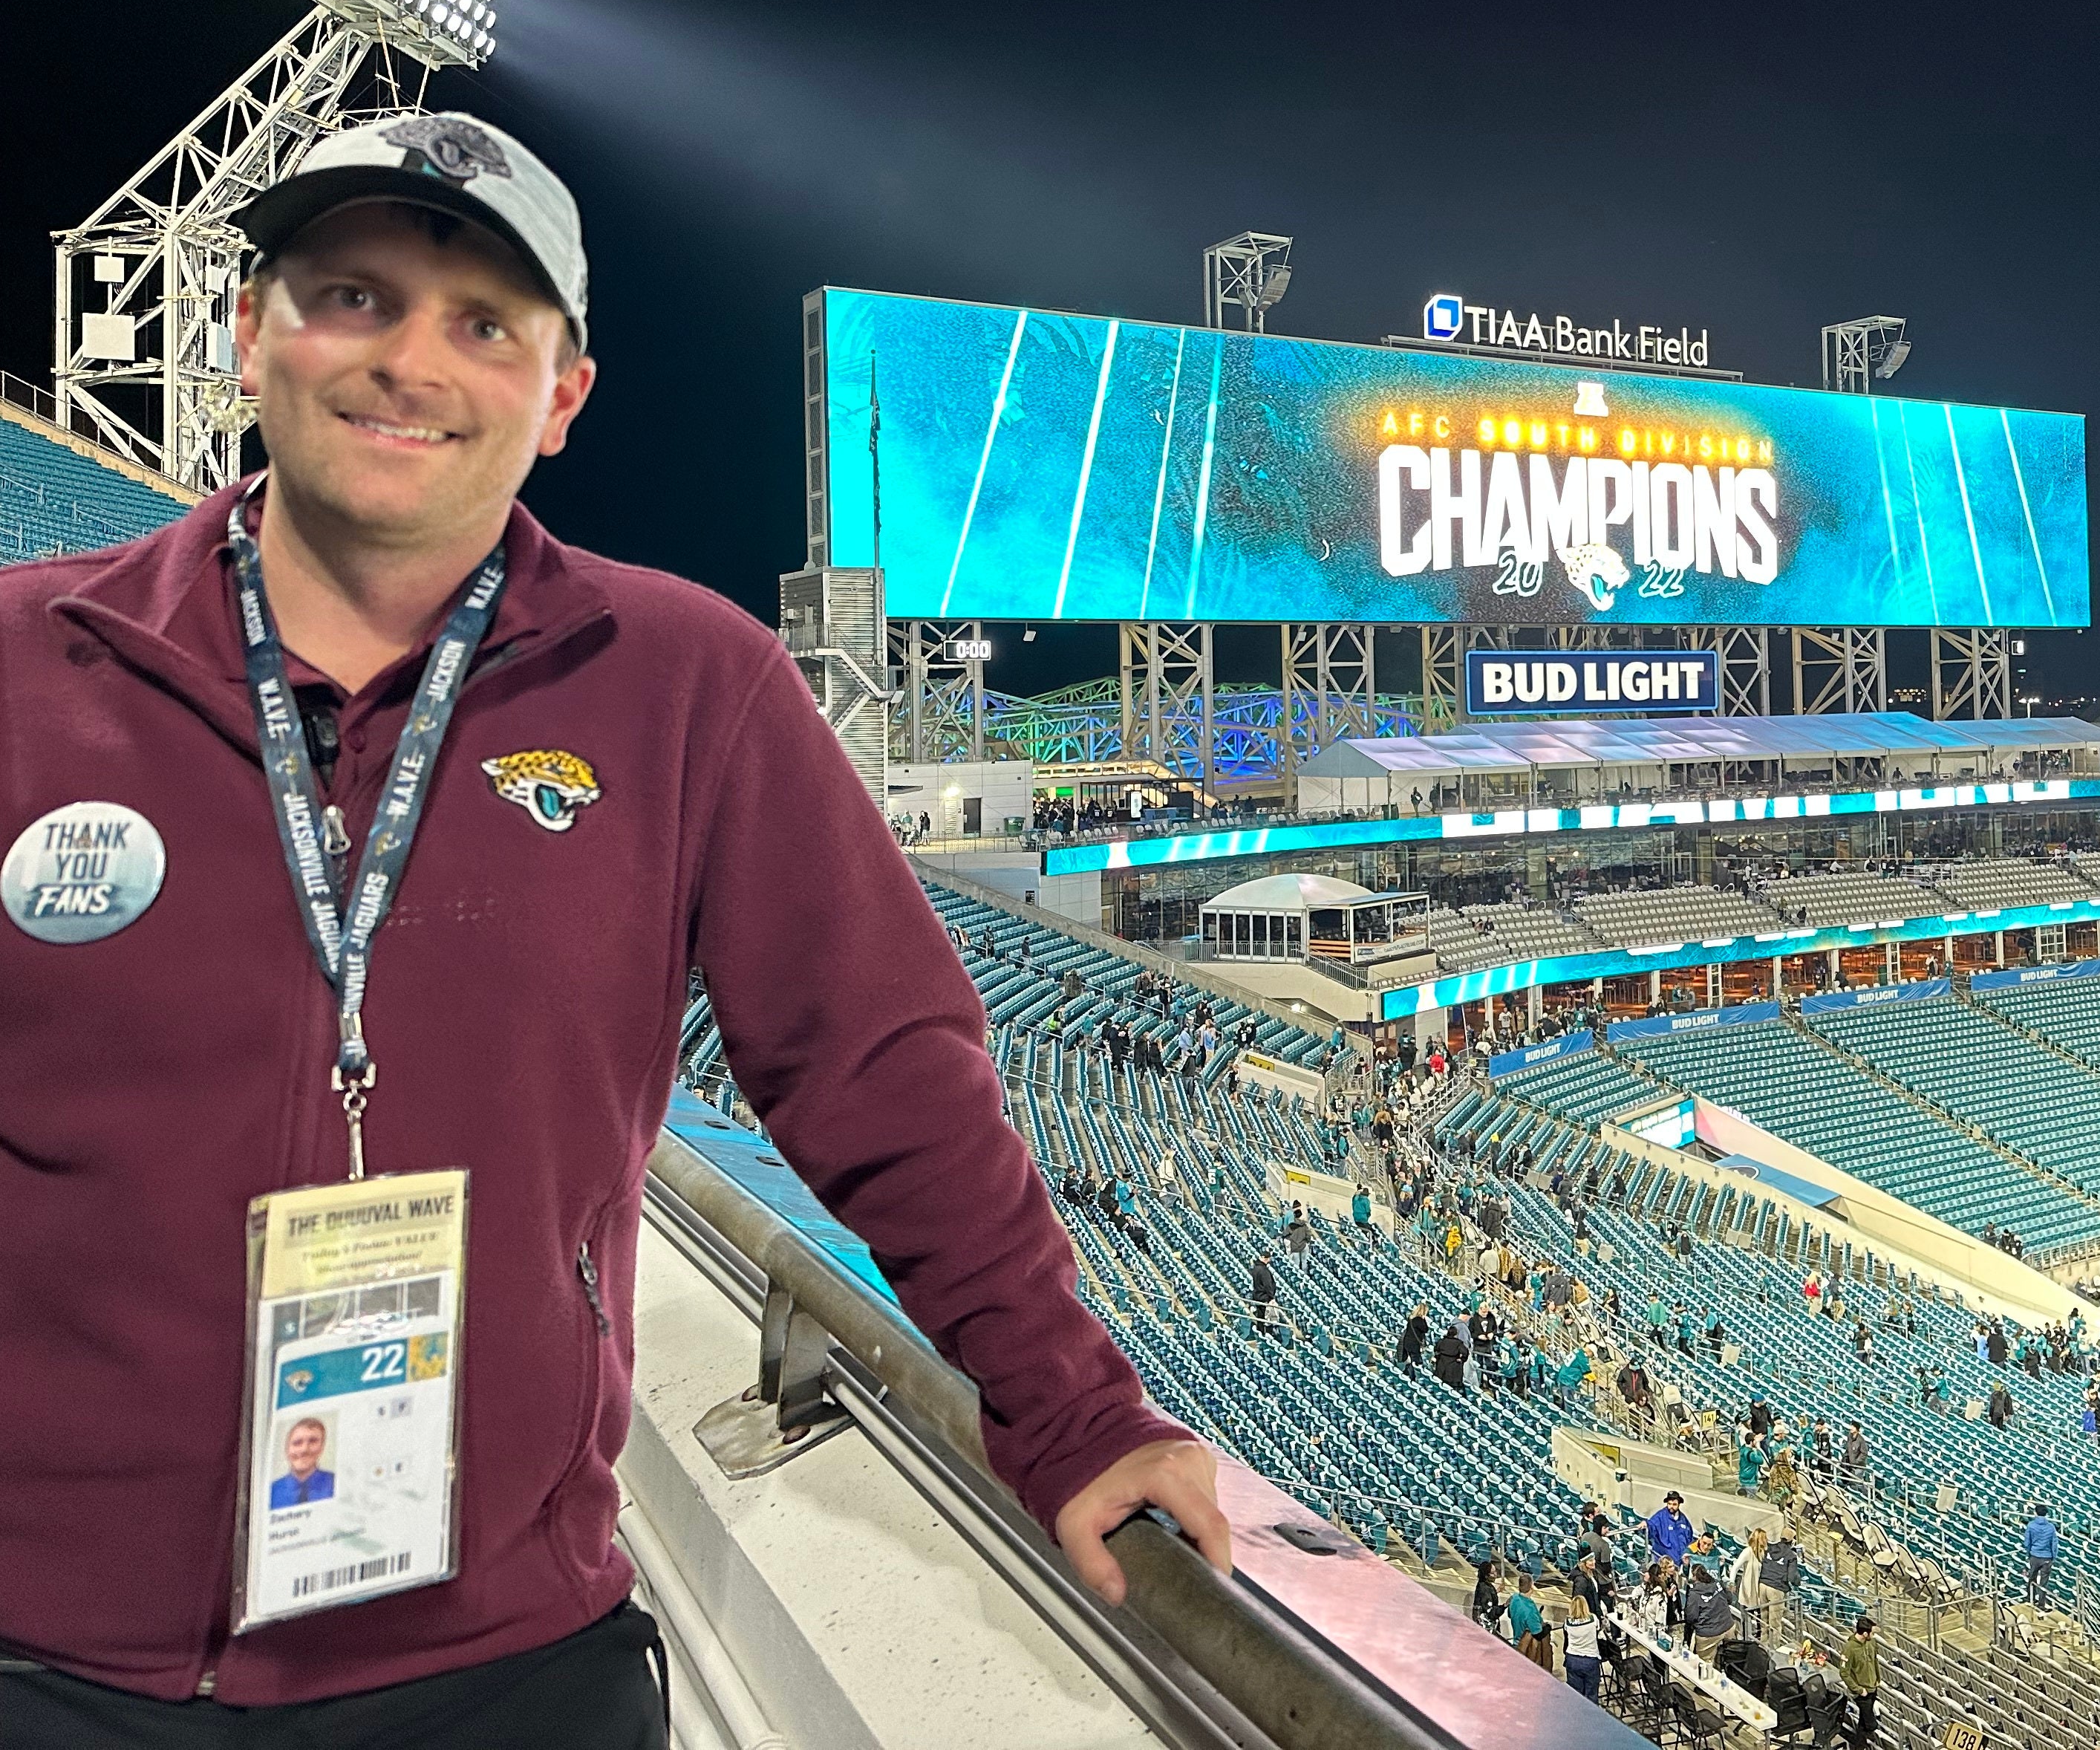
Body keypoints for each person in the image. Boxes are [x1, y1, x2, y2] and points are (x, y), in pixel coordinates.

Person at [0, 117, 1225, 1737]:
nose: (408, 364)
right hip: (45, 1652)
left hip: (495, 1656)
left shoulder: (687, 682)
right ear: (250, 331)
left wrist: (1075, 1409)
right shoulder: (29, 665)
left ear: (563, 395)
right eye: (351, 297)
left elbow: (880, 1069)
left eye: (485, 324)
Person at [267, 1419, 335, 1512]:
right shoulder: (271, 1492)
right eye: (297, 1443)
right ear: (287, 1449)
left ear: (322, 1447)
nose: (304, 1450)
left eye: (313, 1441)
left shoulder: (336, 1484)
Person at [1839, 1616, 1880, 1747]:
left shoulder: (1872, 1643)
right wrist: (1858, 1689)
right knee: (1870, 1723)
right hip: (1861, 1691)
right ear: (1865, 1633)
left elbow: (1875, 1661)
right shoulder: (1849, 1648)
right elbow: (1844, 1672)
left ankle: (1858, 1746)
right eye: (1872, 1633)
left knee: (1863, 1722)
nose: (1874, 1636)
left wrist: (1878, 1679)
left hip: (1873, 1686)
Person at [2023, 1500, 2061, 1602]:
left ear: (2035, 1513)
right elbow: (2054, 1544)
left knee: (2032, 1578)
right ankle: (2041, 1603)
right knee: (2044, 1582)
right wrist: (2053, 1557)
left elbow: (2027, 1542)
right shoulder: (2051, 1527)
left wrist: (2029, 1553)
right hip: (2047, 1558)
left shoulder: (2031, 1525)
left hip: (2034, 1556)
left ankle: (2030, 1598)